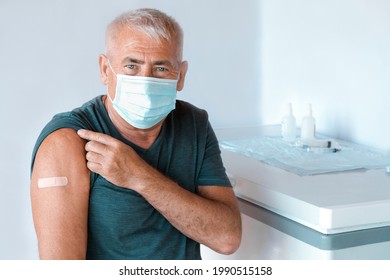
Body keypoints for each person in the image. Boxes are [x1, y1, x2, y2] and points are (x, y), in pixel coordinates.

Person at [30, 8, 241, 260]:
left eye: (161, 69)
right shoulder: (68, 140)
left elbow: (227, 238)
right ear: (105, 70)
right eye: (131, 66)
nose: (145, 81)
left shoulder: (194, 124)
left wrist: (137, 176)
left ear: (181, 76)